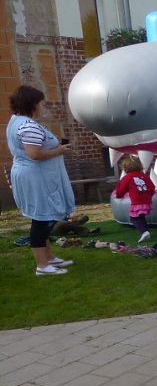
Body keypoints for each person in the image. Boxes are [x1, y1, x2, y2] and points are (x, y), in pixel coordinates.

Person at [5, 84, 75, 276]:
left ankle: (50, 258)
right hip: (35, 177)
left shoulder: (16, 121)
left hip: (32, 175)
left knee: (44, 217)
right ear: (32, 104)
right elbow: (34, 154)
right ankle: (42, 266)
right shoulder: (27, 125)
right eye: (41, 103)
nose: (44, 106)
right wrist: (59, 150)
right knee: (42, 220)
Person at [114, 153, 156, 243]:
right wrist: (149, 195)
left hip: (137, 201)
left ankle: (144, 231)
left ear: (125, 168)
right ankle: (146, 231)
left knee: (134, 218)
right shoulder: (144, 176)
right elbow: (152, 187)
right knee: (141, 216)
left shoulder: (127, 177)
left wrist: (118, 196)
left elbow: (120, 189)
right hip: (147, 200)